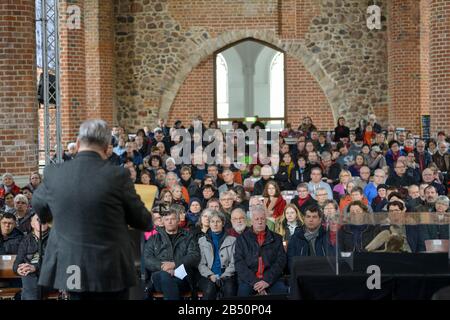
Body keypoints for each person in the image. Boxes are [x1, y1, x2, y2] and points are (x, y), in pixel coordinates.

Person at [32, 119, 153, 300]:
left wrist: (54, 216)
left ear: (79, 143)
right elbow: (142, 220)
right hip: (111, 266)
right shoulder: (117, 175)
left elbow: (39, 205)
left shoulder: (54, 172)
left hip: (72, 263)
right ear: (106, 147)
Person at [144, 209, 200, 300]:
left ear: (178, 220)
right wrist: (163, 267)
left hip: (182, 278)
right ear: (163, 221)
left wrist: (174, 264)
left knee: (170, 283)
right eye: (166, 219)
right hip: (159, 277)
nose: (169, 222)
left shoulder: (188, 237)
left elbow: (194, 256)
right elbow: (147, 259)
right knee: (164, 276)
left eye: (172, 219)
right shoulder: (154, 239)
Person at [234, 205, 287, 297]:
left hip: (272, 278)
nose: (260, 222)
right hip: (249, 280)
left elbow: (280, 262)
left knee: (282, 292)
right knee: (243, 293)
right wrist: (255, 282)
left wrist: (266, 280)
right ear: (251, 221)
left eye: (262, 218)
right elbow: (239, 263)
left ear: (266, 220)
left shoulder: (277, 238)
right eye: (256, 219)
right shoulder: (242, 239)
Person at [198, 211, 237, 300]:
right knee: (209, 290)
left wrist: (224, 275)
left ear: (223, 224)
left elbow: (233, 263)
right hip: (208, 275)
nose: (215, 224)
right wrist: (210, 275)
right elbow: (201, 263)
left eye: (218, 222)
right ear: (209, 224)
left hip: (227, 275)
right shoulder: (202, 241)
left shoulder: (232, 240)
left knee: (229, 289)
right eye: (212, 222)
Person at [13, 214, 51, 300]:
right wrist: (19, 270)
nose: (42, 222)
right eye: (38, 220)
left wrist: (35, 267)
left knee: (29, 281)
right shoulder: (25, 240)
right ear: (32, 224)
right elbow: (16, 263)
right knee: (28, 274)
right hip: (30, 278)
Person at [287, 205, 330, 270]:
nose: (311, 220)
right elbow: (291, 261)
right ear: (304, 218)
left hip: (324, 273)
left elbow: (332, 260)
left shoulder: (327, 236)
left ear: (320, 220)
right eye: (308, 217)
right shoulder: (295, 238)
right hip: (301, 274)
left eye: (314, 217)